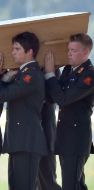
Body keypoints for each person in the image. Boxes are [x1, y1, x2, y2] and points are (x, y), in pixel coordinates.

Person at [0, 31, 47, 190]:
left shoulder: (30, 75)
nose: (12, 52)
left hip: (26, 142)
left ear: (30, 52)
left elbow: (2, 95)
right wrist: (5, 78)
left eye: (17, 49)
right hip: (20, 141)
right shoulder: (22, 74)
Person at [44, 33, 94, 190]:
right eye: (68, 50)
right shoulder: (68, 70)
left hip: (76, 138)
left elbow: (63, 99)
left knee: (70, 185)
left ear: (85, 52)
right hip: (65, 137)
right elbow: (53, 97)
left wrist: (51, 74)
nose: (69, 53)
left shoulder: (89, 74)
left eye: (73, 50)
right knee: (77, 184)